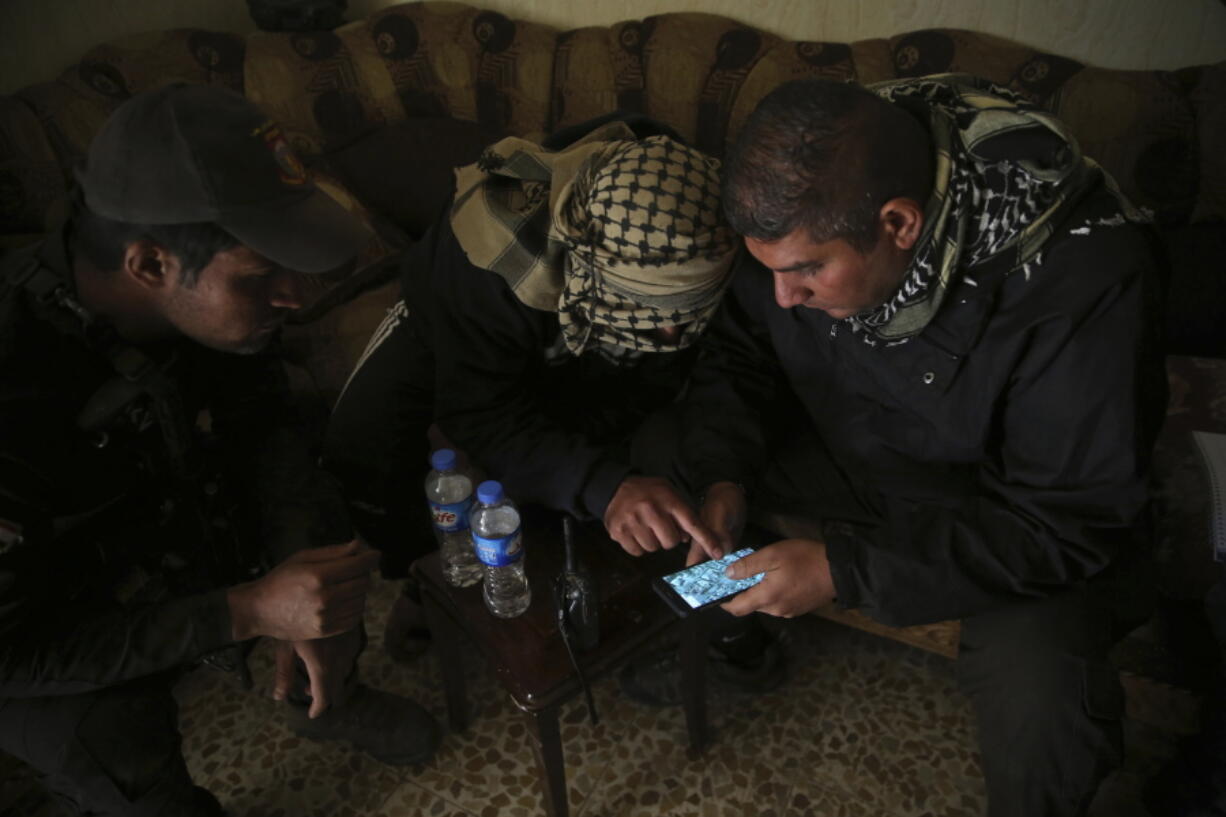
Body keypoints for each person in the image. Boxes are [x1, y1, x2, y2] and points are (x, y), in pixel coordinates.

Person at [673, 76, 1167, 817]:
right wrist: (723, 476)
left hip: (1014, 519)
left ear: (901, 223)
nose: (784, 296)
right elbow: (745, 355)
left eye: (808, 271)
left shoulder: (1084, 275)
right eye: (772, 269)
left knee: (1041, 696)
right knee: (675, 488)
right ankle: (730, 643)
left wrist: (846, 570)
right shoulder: (804, 206)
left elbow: (1063, 521)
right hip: (863, 451)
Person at [0, 84, 438, 817]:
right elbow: (12, 651)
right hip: (41, 619)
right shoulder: (13, 387)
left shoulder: (209, 309)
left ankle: (325, 695)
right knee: (113, 738)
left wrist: (307, 604)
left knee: (322, 533)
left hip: (160, 520)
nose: (295, 294)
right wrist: (244, 611)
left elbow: (265, 428)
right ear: (148, 265)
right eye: (261, 273)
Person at [323, 117, 783, 695]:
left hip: (607, 348)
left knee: (662, 467)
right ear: (594, 280)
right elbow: (482, 411)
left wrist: (724, 478)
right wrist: (603, 485)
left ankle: (734, 641)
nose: (678, 335)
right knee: (365, 441)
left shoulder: (696, 219)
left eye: (688, 317)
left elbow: (727, 363)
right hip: (457, 325)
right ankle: (424, 583)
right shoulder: (482, 261)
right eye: (661, 322)